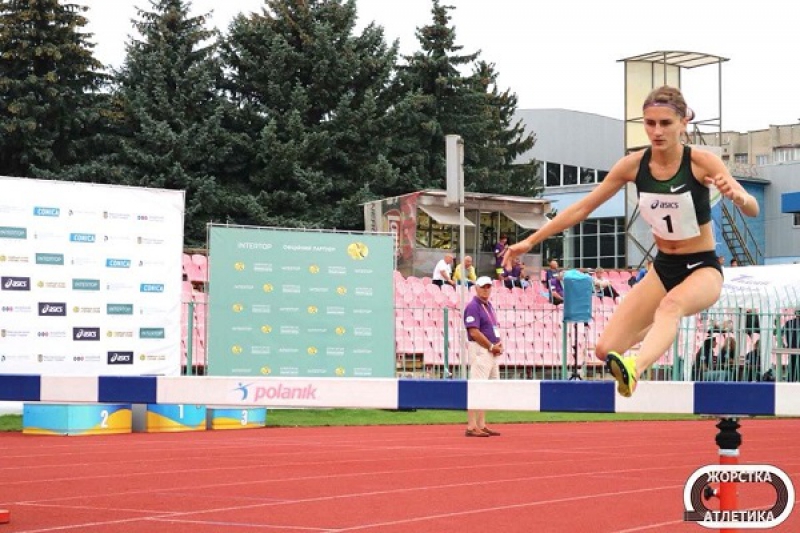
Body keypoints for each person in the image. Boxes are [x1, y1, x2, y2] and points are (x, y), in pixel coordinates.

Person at [503, 85, 759, 397]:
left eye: (665, 123)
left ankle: (634, 369)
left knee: (670, 306)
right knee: (605, 349)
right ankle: (653, 332)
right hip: (665, 268)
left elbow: (753, 208)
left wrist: (739, 196)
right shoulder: (633, 166)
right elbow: (582, 208)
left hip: (702, 267)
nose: (657, 131)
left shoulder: (701, 162)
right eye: (650, 123)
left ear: (683, 123)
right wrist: (530, 241)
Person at [464, 276, 503, 437]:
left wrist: (498, 343)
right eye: (483, 287)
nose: (486, 289)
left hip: (490, 350)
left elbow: (492, 328)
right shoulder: (473, 306)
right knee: (477, 386)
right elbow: (474, 331)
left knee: (487, 388)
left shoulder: (488, 306)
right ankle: (471, 426)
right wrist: (491, 346)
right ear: (476, 288)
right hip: (481, 350)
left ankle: (481, 423)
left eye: (488, 286)